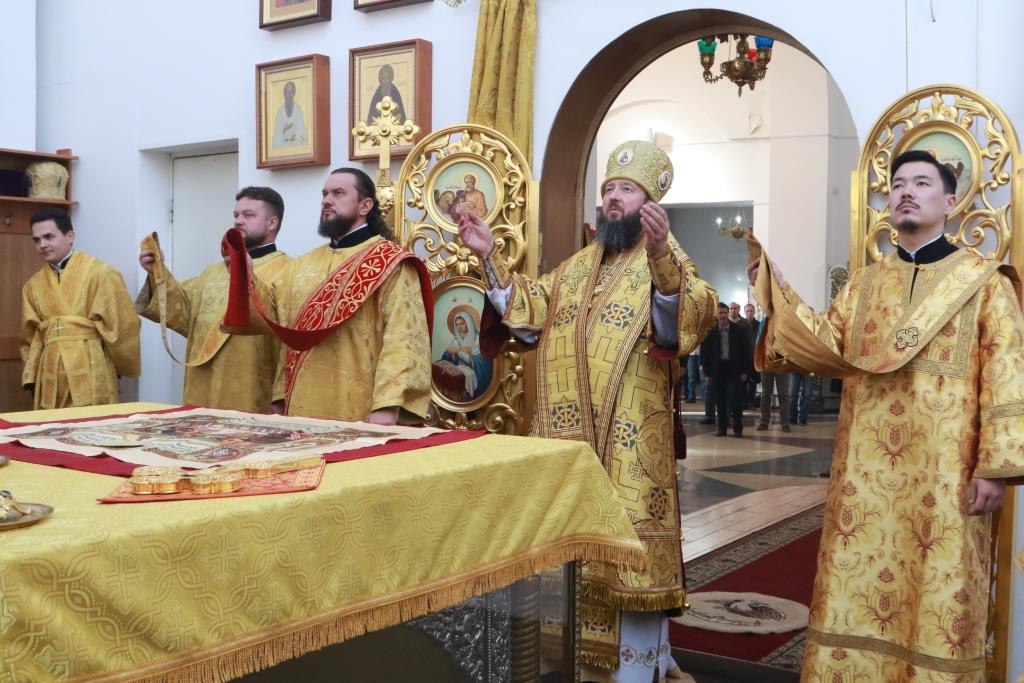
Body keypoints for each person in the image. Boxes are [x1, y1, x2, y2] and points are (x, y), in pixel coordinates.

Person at [748, 149, 1023, 681]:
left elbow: (1007, 373)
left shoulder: (985, 283)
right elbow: (822, 345)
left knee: (939, 592)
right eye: (897, 185)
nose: (905, 192)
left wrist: (995, 468)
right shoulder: (862, 286)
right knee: (857, 588)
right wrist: (775, 291)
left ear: (949, 202)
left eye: (921, 183)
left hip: (945, 475)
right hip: (865, 479)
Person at [459, 139, 717, 682]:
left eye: (627, 190)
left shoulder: (667, 261)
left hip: (630, 445)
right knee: (573, 557)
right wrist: (488, 258)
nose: (613, 199)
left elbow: (689, 316)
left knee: (632, 560)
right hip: (570, 444)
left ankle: (638, 671)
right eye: (608, 190)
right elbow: (529, 311)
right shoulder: (576, 267)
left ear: (650, 203)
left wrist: (662, 259)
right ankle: (574, 664)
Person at [222, 168, 431, 424]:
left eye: (338, 193)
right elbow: (275, 320)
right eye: (324, 194)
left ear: (365, 205)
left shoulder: (390, 263)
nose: (327, 200)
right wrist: (245, 275)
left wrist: (388, 406)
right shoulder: (302, 265)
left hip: (361, 405)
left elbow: (404, 337)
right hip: (301, 404)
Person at [137, 187, 291, 412]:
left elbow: (289, 346)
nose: (238, 221)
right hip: (202, 385)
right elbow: (182, 310)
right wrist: (156, 273)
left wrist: (279, 400)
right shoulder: (212, 272)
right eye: (236, 215)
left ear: (272, 223)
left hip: (250, 389)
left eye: (248, 215)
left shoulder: (287, 272)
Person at [20, 208, 140, 409]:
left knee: (90, 423)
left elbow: (122, 325)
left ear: (70, 236)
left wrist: (118, 368)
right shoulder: (32, 286)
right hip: (49, 372)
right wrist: (31, 375)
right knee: (54, 425)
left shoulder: (101, 273)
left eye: (49, 237)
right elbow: (29, 338)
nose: (42, 245)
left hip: (91, 365)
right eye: (37, 240)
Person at [699, 302, 751, 437]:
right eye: (720, 313)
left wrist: (745, 371)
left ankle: (737, 428)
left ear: (728, 313)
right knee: (719, 400)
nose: (722, 315)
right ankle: (722, 428)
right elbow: (705, 353)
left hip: (734, 370)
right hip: (717, 370)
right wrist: (707, 373)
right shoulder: (710, 331)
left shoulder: (738, 330)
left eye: (724, 313)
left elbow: (746, 351)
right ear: (716, 314)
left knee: (734, 399)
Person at [437, 310, 491, 401]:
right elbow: (447, 357)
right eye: (457, 324)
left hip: (475, 374)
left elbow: (483, 362)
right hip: (458, 372)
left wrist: (459, 353)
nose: (459, 327)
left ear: (469, 323)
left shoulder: (479, 339)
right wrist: (456, 351)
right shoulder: (456, 339)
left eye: (462, 323)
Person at [272, 81, 307, 148]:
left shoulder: (298, 111)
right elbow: (276, 137)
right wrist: (284, 129)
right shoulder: (280, 112)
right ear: (284, 94)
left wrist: (296, 136)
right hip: (282, 147)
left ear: (294, 93)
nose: (288, 95)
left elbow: (302, 135)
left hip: (295, 146)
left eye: (290, 92)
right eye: (286, 92)